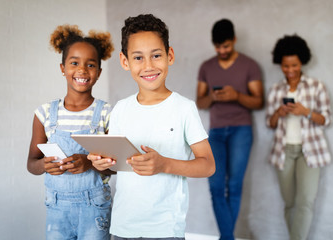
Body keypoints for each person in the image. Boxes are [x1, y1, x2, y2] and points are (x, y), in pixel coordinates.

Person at [88, 14, 215, 240]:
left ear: (170, 56)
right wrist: (102, 163)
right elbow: (115, 166)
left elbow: (207, 166)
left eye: (156, 55)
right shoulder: (120, 109)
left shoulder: (184, 108)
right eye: (138, 58)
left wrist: (164, 164)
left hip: (165, 230)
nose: (148, 66)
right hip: (122, 227)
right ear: (125, 61)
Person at [27, 24, 115, 239]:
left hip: (95, 208)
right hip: (57, 209)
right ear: (63, 68)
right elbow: (32, 164)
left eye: (90, 64)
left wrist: (90, 162)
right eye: (74, 63)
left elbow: (115, 168)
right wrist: (44, 165)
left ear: (99, 72)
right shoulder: (44, 113)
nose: (82, 70)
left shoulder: (107, 113)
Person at [196, 19, 264, 240]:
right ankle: (228, 237)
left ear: (234, 40)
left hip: (241, 131)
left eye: (225, 46)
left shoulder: (250, 65)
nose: (221, 51)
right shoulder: (206, 67)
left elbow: (259, 102)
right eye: (217, 47)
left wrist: (237, 96)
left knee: (234, 185)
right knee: (215, 185)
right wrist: (212, 97)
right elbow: (200, 103)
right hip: (215, 132)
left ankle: (225, 237)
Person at [266, 34, 332, 240]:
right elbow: (270, 123)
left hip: (310, 151)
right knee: (290, 204)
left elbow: (326, 119)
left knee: (305, 202)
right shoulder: (276, 90)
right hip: (283, 151)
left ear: (302, 62)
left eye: (294, 65)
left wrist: (306, 111)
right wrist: (279, 113)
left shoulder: (316, 86)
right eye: (286, 66)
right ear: (280, 64)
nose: (290, 70)